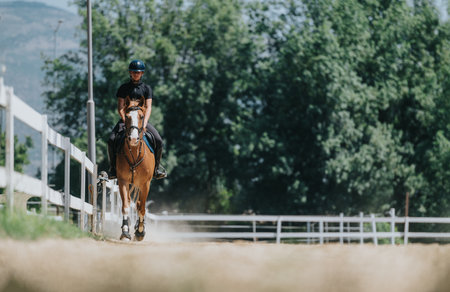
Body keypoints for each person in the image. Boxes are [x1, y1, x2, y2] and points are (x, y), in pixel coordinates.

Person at [107, 59, 167, 180]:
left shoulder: (146, 89)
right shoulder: (123, 88)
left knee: (158, 140)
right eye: (134, 72)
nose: (136, 74)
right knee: (111, 139)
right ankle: (113, 169)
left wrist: (144, 123)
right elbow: (120, 108)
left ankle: (156, 168)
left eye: (138, 72)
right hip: (127, 120)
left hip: (141, 121)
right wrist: (125, 120)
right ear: (130, 73)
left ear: (142, 73)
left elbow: (149, 107)